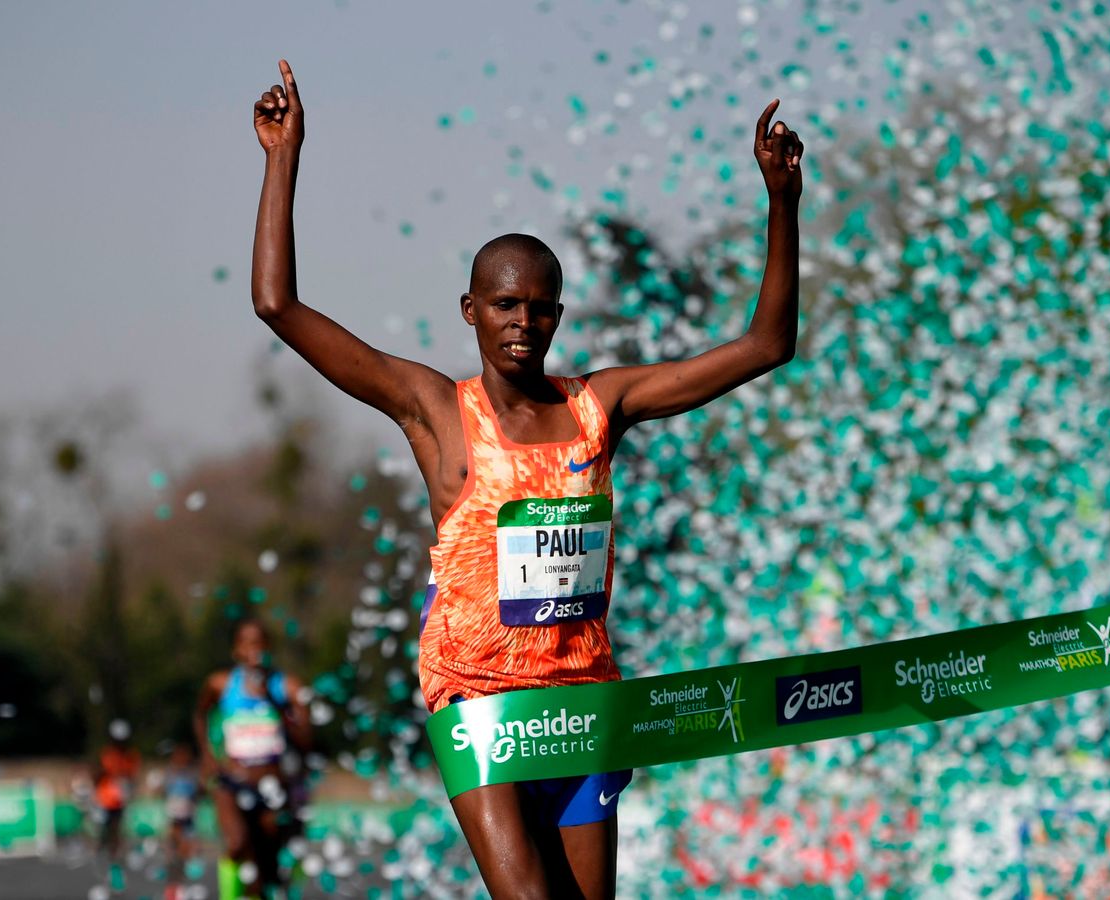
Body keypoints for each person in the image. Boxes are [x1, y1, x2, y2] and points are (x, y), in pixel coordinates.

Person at [250, 59, 803, 899]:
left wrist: (782, 205)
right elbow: (278, 307)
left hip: (582, 696)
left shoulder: (599, 405)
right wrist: (282, 157)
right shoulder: (434, 408)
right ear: (471, 309)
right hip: (478, 700)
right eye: (505, 305)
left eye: (541, 307)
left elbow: (765, 347)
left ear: (559, 315)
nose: (523, 323)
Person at [194, 619, 314, 900]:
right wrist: (209, 756)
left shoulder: (287, 687)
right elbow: (200, 714)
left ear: (269, 648)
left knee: (267, 863)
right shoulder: (221, 684)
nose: (253, 650)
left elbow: (307, 739)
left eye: (259, 643)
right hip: (231, 781)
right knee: (237, 843)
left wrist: (274, 703)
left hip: (272, 785)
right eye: (247, 643)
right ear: (237, 649)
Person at [93, 719, 141, 893]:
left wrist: (128, 787)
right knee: (102, 835)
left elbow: (132, 778)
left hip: (119, 802)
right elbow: (97, 774)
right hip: (104, 801)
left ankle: (114, 868)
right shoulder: (107, 754)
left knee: (116, 836)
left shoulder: (131, 756)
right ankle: (101, 859)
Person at [160, 743, 202, 900]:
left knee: (185, 855)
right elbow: (165, 793)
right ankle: (172, 889)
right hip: (175, 819)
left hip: (188, 819)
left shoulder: (192, 774)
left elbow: (198, 794)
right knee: (173, 855)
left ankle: (180, 888)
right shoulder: (170, 773)